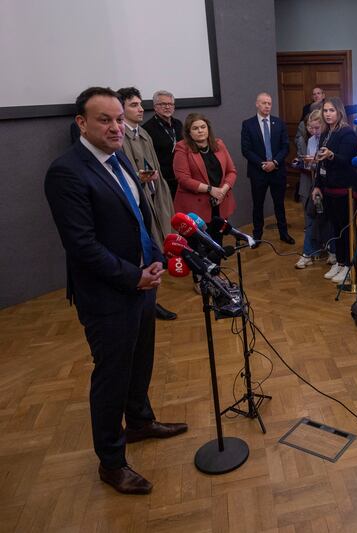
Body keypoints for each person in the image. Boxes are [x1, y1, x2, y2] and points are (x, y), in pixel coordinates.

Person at [44, 87, 187, 495]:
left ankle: (140, 421)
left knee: (140, 361)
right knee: (111, 376)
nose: (115, 126)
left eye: (118, 118)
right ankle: (111, 462)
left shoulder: (119, 157)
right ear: (82, 124)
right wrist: (132, 276)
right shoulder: (66, 172)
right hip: (109, 294)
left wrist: (156, 255)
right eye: (104, 119)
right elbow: (82, 245)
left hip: (143, 281)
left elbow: (138, 216)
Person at [117, 87, 177, 321]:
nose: (141, 109)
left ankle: (151, 300)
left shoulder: (143, 134)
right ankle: (146, 302)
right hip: (136, 205)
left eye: (140, 104)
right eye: (134, 105)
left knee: (157, 249)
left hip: (154, 197)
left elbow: (156, 172)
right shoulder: (119, 136)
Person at [311, 96, 357, 285]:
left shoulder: (347, 133)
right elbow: (320, 162)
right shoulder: (325, 133)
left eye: (331, 110)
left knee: (347, 227)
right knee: (336, 228)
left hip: (344, 188)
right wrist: (317, 185)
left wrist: (331, 155)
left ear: (339, 112)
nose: (328, 114)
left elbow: (347, 160)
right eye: (325, 111)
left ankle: (350, 264)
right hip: (328, 188)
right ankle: (340, 262)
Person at [173, 113, 237, 245]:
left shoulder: (219, 144)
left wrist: (222, 191)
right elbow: (183, 179)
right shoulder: (182, 147)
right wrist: (210, 189)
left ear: (208, 128)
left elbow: (232, 172)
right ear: (188, 132)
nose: (200, 130)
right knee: (199, 249)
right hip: (195, 209)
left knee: (217, 245)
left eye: (203, 127)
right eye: (195, 128)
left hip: (219, 204)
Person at [241, 92, 294, 245]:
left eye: (269, 103)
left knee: (279, 204)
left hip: (277, 171)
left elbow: (285, 147)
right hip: (258, 172)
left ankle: (284, 233)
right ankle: (257, 236)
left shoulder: (279, 123)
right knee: (258, 205)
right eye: (264, 103)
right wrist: (263, 164)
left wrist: (275, 162)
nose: (267, 106)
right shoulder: (248, 124)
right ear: (257, 104)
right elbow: (246, 150)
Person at [295, 109, 334, 268]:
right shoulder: (311, 140)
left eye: (317, 128)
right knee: (312, 217)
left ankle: (332, 250)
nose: (313, 131)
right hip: (315, 185)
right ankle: (308, 253)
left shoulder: (331, 138)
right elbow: (314, 165)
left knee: (328, 219)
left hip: (330, 185)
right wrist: (308, 162)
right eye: (311, 128)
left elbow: (333, 163)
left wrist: (317, 161)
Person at [142, 90, 183, 198]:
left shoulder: (178, 124)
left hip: (181, 177)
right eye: (163, 104)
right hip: (163, 180)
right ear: (155, 107)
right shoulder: (147, 129)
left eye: (170, 104)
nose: (167, 107)